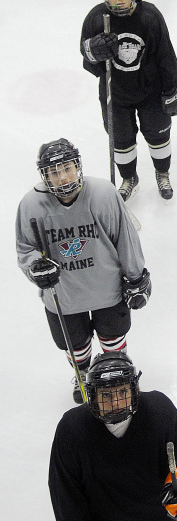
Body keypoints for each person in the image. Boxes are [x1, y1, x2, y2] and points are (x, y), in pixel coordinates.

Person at [15, 139, 149, 402]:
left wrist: (136, 277)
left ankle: (115, 373)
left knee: (113, 338)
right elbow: (25, 247)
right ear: (45, 176)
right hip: (65, 296)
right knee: (75, 347)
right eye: (54, 173)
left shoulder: (103, 193)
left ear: (77, 166)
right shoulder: (31, 205)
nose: (62, 177)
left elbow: (125, 237)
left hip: (106, 289)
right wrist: (35, 267)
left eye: (66, 168)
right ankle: (83, 374)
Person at [49, 352, 177, 521]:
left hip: (153, 511)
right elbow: (63, 485)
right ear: (92, 395)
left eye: (122, 392)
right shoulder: (71, 429)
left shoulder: (161, 411)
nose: (115, 402)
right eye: (106, 394)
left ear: (134, 390)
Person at [80, 0, 177, 201]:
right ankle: (129, 178)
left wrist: (172, 88)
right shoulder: (97, 19)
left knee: (158, 136)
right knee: (121, 140)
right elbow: (88, 61)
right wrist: (94, 53)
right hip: (115, 93)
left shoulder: (149, 16)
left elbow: (165, 54)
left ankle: (162, 173)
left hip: (150, 90)